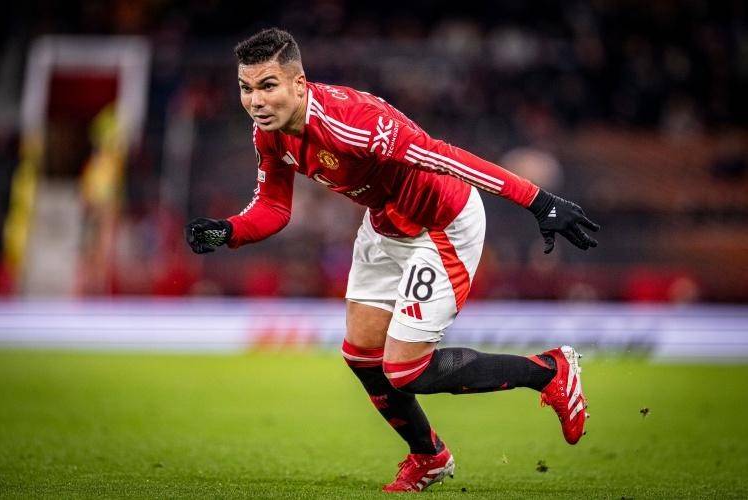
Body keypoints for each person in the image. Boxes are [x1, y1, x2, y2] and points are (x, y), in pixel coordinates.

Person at [185, 28, 599, 493]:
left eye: (267, 86)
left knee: (405, 369)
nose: (255, 101)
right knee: (362, 354)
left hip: (441, 224)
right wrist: (229, 230)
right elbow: (274, 208)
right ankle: (429, 457)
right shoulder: (270, 133)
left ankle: (549, 370)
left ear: (298, 84)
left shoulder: (354, 123)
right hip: (385, 223)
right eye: (246, 88)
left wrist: (539, 201)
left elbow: (446, 157)